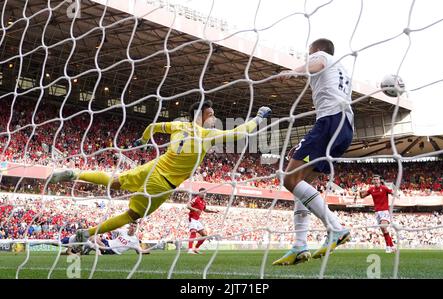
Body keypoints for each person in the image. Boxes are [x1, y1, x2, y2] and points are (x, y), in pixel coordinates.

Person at [47, 100, 271, 246]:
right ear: (201, 115)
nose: (214, 118)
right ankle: (88, 233)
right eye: (211, 114)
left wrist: (143, 140)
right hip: (162, 183)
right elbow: (239, 132)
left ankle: (74, 174)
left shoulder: (177, 126)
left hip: (153, 165)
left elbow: (153, 127)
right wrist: (259, 117)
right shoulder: (207, 134)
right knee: (132, 216)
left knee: (115, 182)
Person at [273, 38, 353, 265]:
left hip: (329, 121)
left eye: (309, 53)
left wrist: (294, 71)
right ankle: (300, 246)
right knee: (301, 184)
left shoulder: (322, 56)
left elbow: (316, 65)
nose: (308, 56)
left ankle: (336, 228)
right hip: (344, 127)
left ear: (315, 50)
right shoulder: (343, 69)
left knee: (288, 178)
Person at [358, 175, 396, 253]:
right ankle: (392, 246)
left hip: (384, 211)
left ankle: (388, 247)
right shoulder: (371, 189)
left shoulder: (384, 188)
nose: (375, 180)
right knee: (383, 230)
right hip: (377, 212)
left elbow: (392, 192)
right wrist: (359, 192)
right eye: (374, 179)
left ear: (379, 180)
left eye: (377, 179)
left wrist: (395, 194)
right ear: (373, 181)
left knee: (383, 227)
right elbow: (362, 196)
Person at [186, 188, 219, 254]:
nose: (203, 194)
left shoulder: (204, 202)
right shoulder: (196, 199)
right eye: (202, 193)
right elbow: (188, 206)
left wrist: (213, 211)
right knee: (193, 232)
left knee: (205, 235)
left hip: (197, 220)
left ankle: (196, 248)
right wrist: (195, 209)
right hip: (192, 218)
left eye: (204, 193)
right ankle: (190, 250)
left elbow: (205, 210)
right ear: (199, 193)